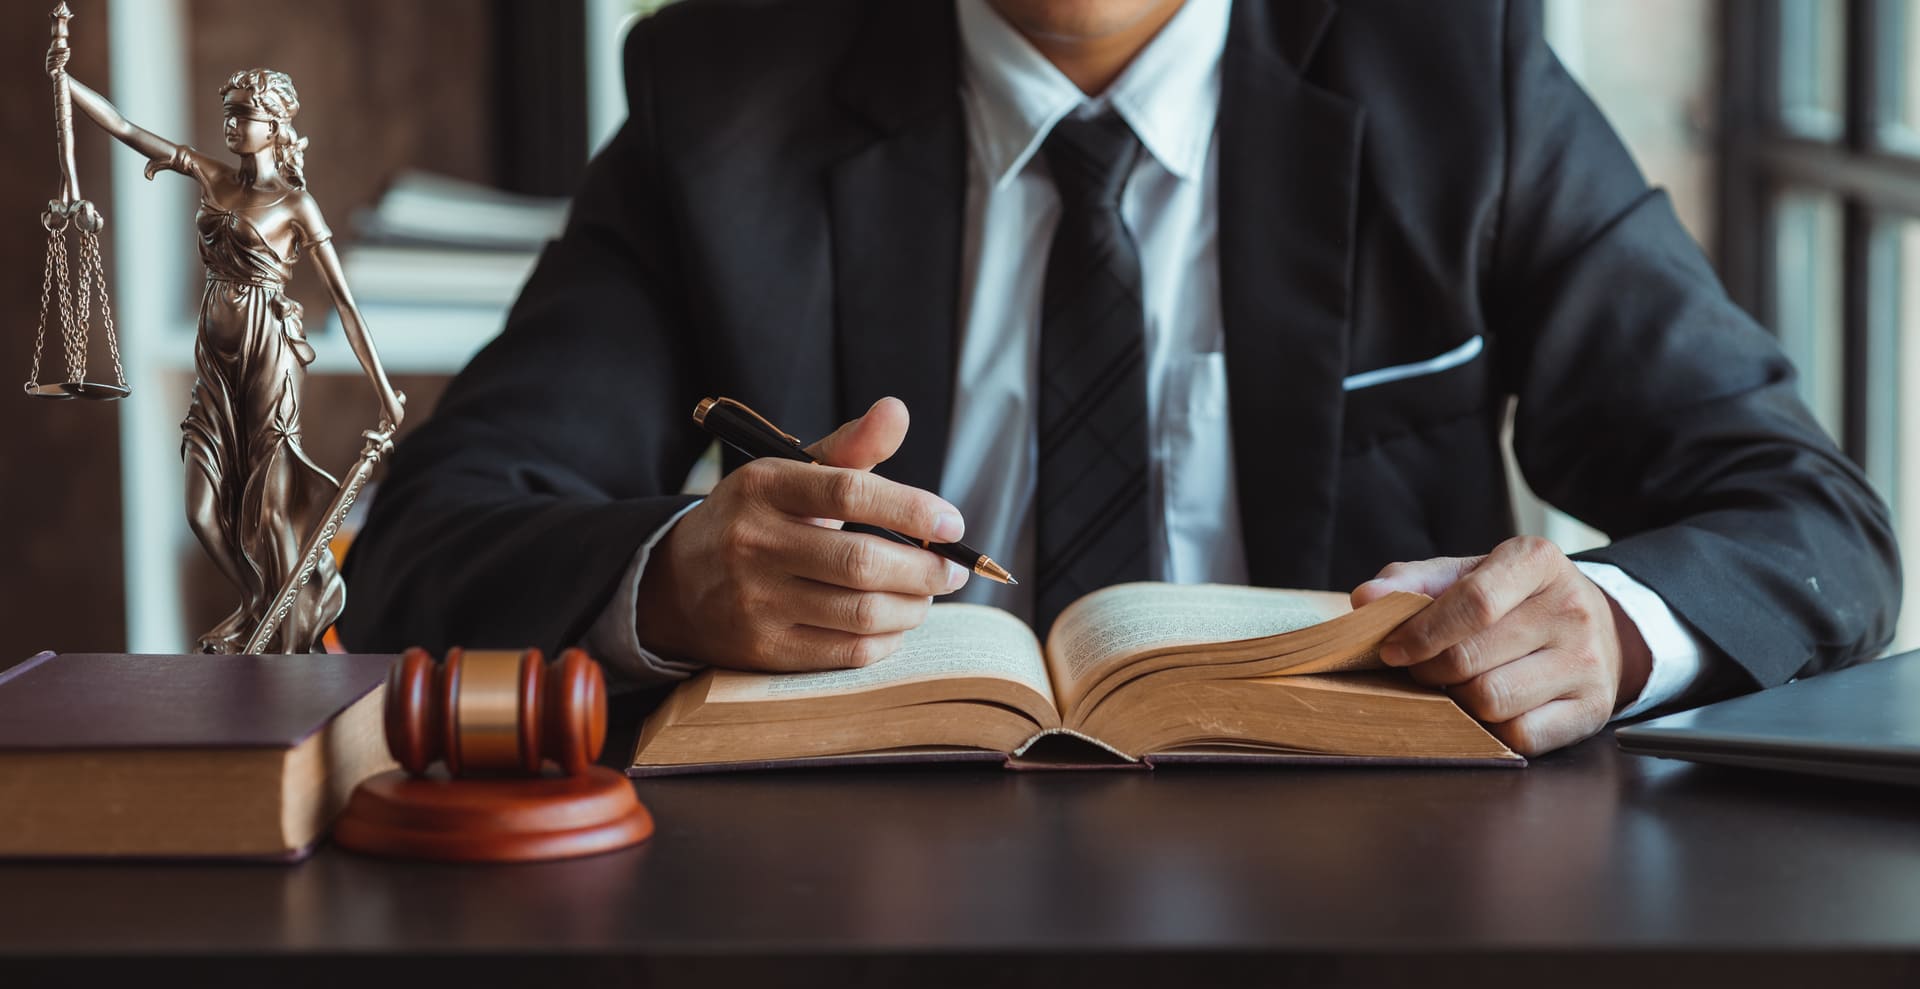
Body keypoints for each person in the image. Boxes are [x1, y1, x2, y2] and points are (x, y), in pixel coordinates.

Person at [339, 0, 1899, 756]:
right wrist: (672, 579)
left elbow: (1806, 515)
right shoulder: (726, 90)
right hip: (851, 898)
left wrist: (1612, 630)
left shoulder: (1455, 72)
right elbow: (434, 536)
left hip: (1370, 896)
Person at [52, 55, 407, 653]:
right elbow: (124, 127)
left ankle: (285, 639)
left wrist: (383, 392)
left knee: (270, 513)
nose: (232, 125)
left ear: (275, 125)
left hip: (269, 356)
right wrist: (66, 82)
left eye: (244, 115)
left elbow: (345, 304)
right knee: (200, 509)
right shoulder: (213, 177)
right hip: (214, 364)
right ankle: (259, 605)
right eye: (228, 114)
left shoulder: (297, 205)